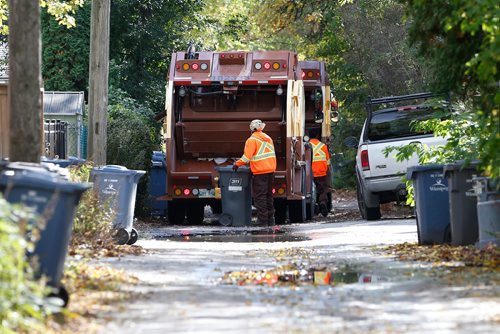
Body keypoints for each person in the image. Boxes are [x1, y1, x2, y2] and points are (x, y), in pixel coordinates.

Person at [233, 119, 276, 226]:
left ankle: (263, 220)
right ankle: (270, 219)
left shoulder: (252, 140)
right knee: (268, 195)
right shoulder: (268, 138)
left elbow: (247, 157)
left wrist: (237, 164)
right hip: (270, 171)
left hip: (260, 172)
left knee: (260, 197)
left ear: (251, 129)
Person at [308, 128, 331, 217]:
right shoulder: (323, 146)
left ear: (309, 135)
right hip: (322, 172)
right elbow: (328, 161)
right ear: (317, 135)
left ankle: (315, 207)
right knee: (322, 190)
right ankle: (322, 203)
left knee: (311, 191)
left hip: (310, 173)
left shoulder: (307, 145)